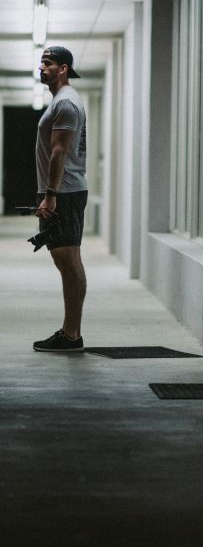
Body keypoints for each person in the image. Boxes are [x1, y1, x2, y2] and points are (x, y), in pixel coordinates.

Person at [32, 46, 88, 352]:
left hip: (63, 192)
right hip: (62, 191)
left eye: (48, 63)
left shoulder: (66, 103)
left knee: (67, 260)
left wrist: (51, 195)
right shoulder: (62, 101)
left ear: (64, 68)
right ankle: (71, 333)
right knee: (67, 260)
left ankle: (71, 335)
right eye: (41, 62)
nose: (42, 67)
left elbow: (59, 151)